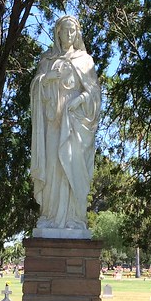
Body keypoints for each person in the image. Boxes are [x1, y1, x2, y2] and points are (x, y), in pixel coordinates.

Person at [30, 15, 101, 234]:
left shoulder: (85, 60)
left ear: (77, 34)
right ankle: (50, 216)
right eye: (65, 30)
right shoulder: (47, 59)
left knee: (70, 165)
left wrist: (79, 100)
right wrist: (47, 78)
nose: (69, 35)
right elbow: (35, 89)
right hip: (53, 121)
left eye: (73, 31)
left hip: (74, 124)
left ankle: (74, 218)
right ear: (57, 32)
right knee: (53, 166)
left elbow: (94, 94)